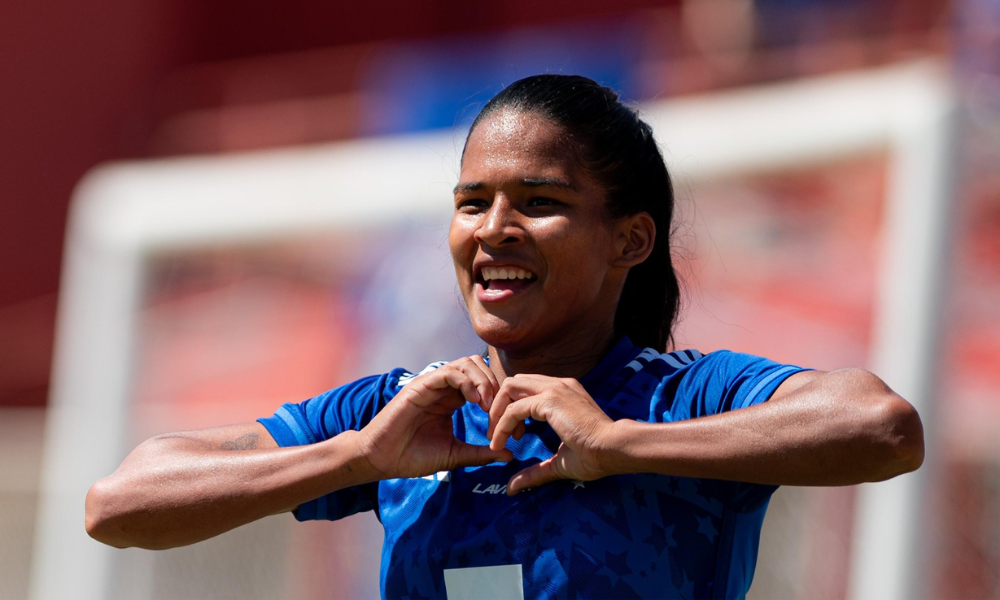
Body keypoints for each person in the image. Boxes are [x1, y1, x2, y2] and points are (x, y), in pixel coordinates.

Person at [85, 74, 924, 599]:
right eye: (470, 201)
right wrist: (358, 460)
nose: (493, 229)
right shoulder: (402, 413)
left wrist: (621, 443)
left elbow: (882, 426)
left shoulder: (680, 399)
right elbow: (118, 504)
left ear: (629, 240)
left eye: (539, 201)